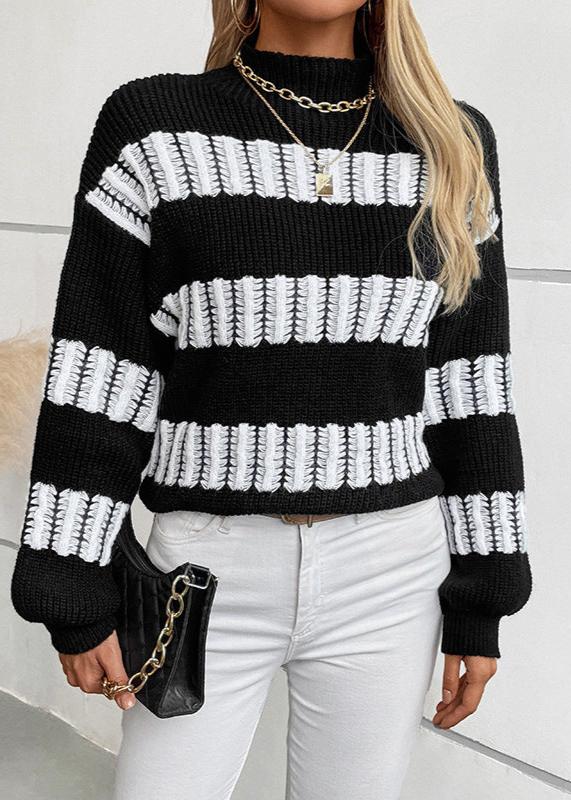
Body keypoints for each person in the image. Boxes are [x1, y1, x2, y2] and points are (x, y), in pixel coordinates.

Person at [10, 1, 532, 797]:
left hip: (391, 573)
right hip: (204, 572)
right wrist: (69, 582)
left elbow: (471, 390)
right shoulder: (154, 128)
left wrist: (482, 598)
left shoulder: (450, 142)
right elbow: (101, 372)